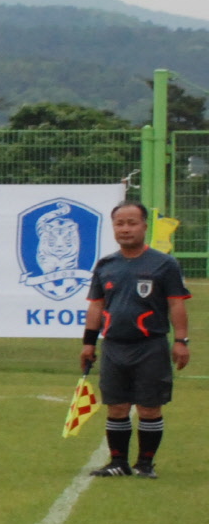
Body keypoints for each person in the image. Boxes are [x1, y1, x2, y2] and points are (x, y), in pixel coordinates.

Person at [81, 199, 190, 478]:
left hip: (150, 346)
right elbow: (96, 305)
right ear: (114, 227)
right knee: (116, 406)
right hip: (114, 346)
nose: (125, 229)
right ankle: (117, 462)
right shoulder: (106, 265)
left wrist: (181, 341)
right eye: (119, 223)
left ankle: (145, 464)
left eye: (132, 223)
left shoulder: (164, 264)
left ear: (144, 226)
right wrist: (89, 343)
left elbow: (177, 304)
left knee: (149, 407)